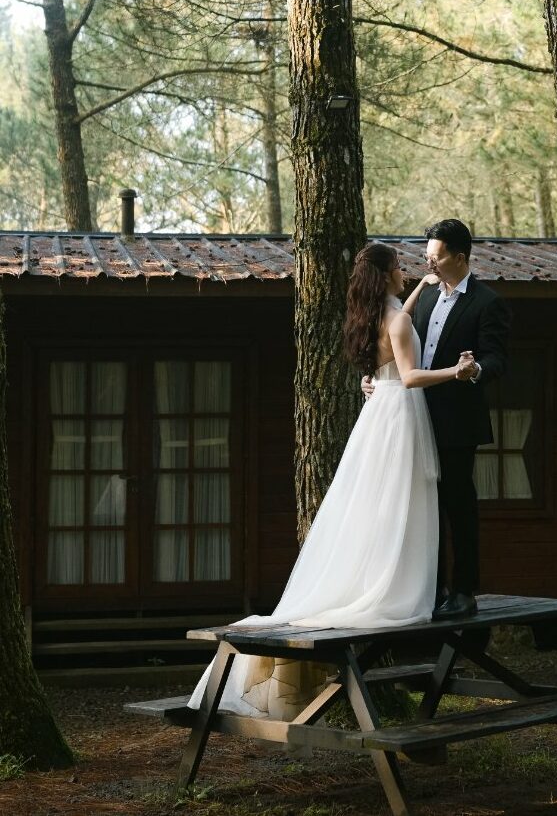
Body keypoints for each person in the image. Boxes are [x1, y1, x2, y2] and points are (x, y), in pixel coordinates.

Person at [188, 241, 473, 718]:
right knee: (402, 500)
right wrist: (456, 371)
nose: (405, 272)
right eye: (399, 267)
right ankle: (395, 585)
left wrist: (422, 289)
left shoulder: (371, 316)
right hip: (401, 413)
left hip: (377, 413)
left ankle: (379, 577)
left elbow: (398, 324)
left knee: (376, 500)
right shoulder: (397, 321)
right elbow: (409, 376)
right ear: (386, 274)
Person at [363, 219, 511, 621]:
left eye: (436, 257)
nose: (428, 263)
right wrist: (375, 377)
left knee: (457, 504)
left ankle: (463, 590)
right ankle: (430, 588)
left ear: (459, 257)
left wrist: (475, 369)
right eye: (426, 255)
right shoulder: (424, 296)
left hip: (457, 421)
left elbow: (497, 359)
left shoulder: (486, 302)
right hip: (410, 416)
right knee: (418, 504)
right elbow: (395, 349)